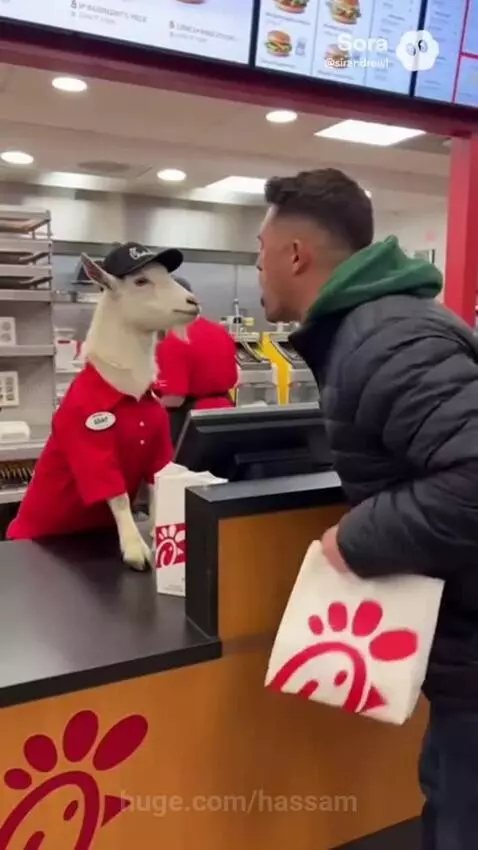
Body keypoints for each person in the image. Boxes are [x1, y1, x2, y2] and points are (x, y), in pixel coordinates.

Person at [257, 167, 478, 850]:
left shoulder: (384, 338)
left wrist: (360, 537)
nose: (258, 269)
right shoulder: (383, 326)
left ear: (296, 255)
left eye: (259, 251)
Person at [155, 276, 238, 443]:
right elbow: (234, 379)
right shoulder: (220, 331)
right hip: (226, 416)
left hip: (191, 425)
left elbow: (174, 398)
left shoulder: (172, 337)